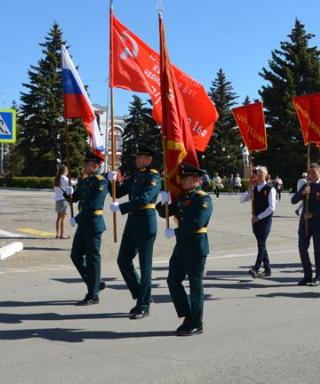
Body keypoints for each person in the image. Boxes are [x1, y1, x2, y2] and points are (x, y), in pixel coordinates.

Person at [157, 163, 213, 336]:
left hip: (196, 247)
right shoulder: (182, 197)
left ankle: (196, 323)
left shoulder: (204, 199)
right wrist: (163, 201)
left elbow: (198, 223)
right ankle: (188, 314)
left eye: (187, 177)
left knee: (195, 286)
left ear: (197, 180)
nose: (184, 180)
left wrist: (176, 231)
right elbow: (165, 213)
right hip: (181, 247)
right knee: (172, 280)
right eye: (184, 177)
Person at [108, 144, 161, 319]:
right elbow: (119, 192)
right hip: (132, 222)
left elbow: (144, 198)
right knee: (123, 260)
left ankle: (144, 305)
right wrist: (112, 181)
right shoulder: (136, 176)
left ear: (149, 159)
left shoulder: (154, 177)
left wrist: (121, 207)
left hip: (146, 223)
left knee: (145, 266)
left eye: (141, 157)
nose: (137, 159)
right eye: (137, 156)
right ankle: (141, 293)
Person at [68, 150, 109, 306]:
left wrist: (76, 218)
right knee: (76, 256)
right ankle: (96, 282)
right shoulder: (86, 181)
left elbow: (93, 206)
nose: (84, 165)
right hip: (83, 225)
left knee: (92, 259)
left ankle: (93, 294)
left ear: (95, 165)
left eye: (87, 163)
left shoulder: (101, 182)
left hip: (93, 224)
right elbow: (75, 197)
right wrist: (68, 192)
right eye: (85, 163)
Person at [291, 164, 320, 287]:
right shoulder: (306, 185)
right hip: (305, 223)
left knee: (318, 250)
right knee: (302, 248)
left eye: (314, 172)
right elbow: (293, 200)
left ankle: (318, 277)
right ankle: (307, 275)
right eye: (310, 173)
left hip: (319, 223)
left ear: (319, 172)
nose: (312, 175)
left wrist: (313, 214)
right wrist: (302, 192)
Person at [239, 166, 277, 279]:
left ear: (266, 175)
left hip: (265, 221)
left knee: (261, 243)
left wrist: (259, 217)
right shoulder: (254, 189)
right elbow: (241, 200)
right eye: (257, 174)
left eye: (261, 175)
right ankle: (268, 268)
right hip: (255, 221)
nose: (259, 177)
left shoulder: (270, 189)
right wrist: (248, 190)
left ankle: (255, 268)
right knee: (262, 244)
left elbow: (272, 207)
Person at [53, 165, 73, 240]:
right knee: (63, 218)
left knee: (58, 218)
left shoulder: (56, 179)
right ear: (64, 171)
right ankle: (62, 235)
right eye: (67, 171)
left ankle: (57, 234)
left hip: (57, 200)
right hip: (64, 200)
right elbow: (73, 183)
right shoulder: (64, 178)